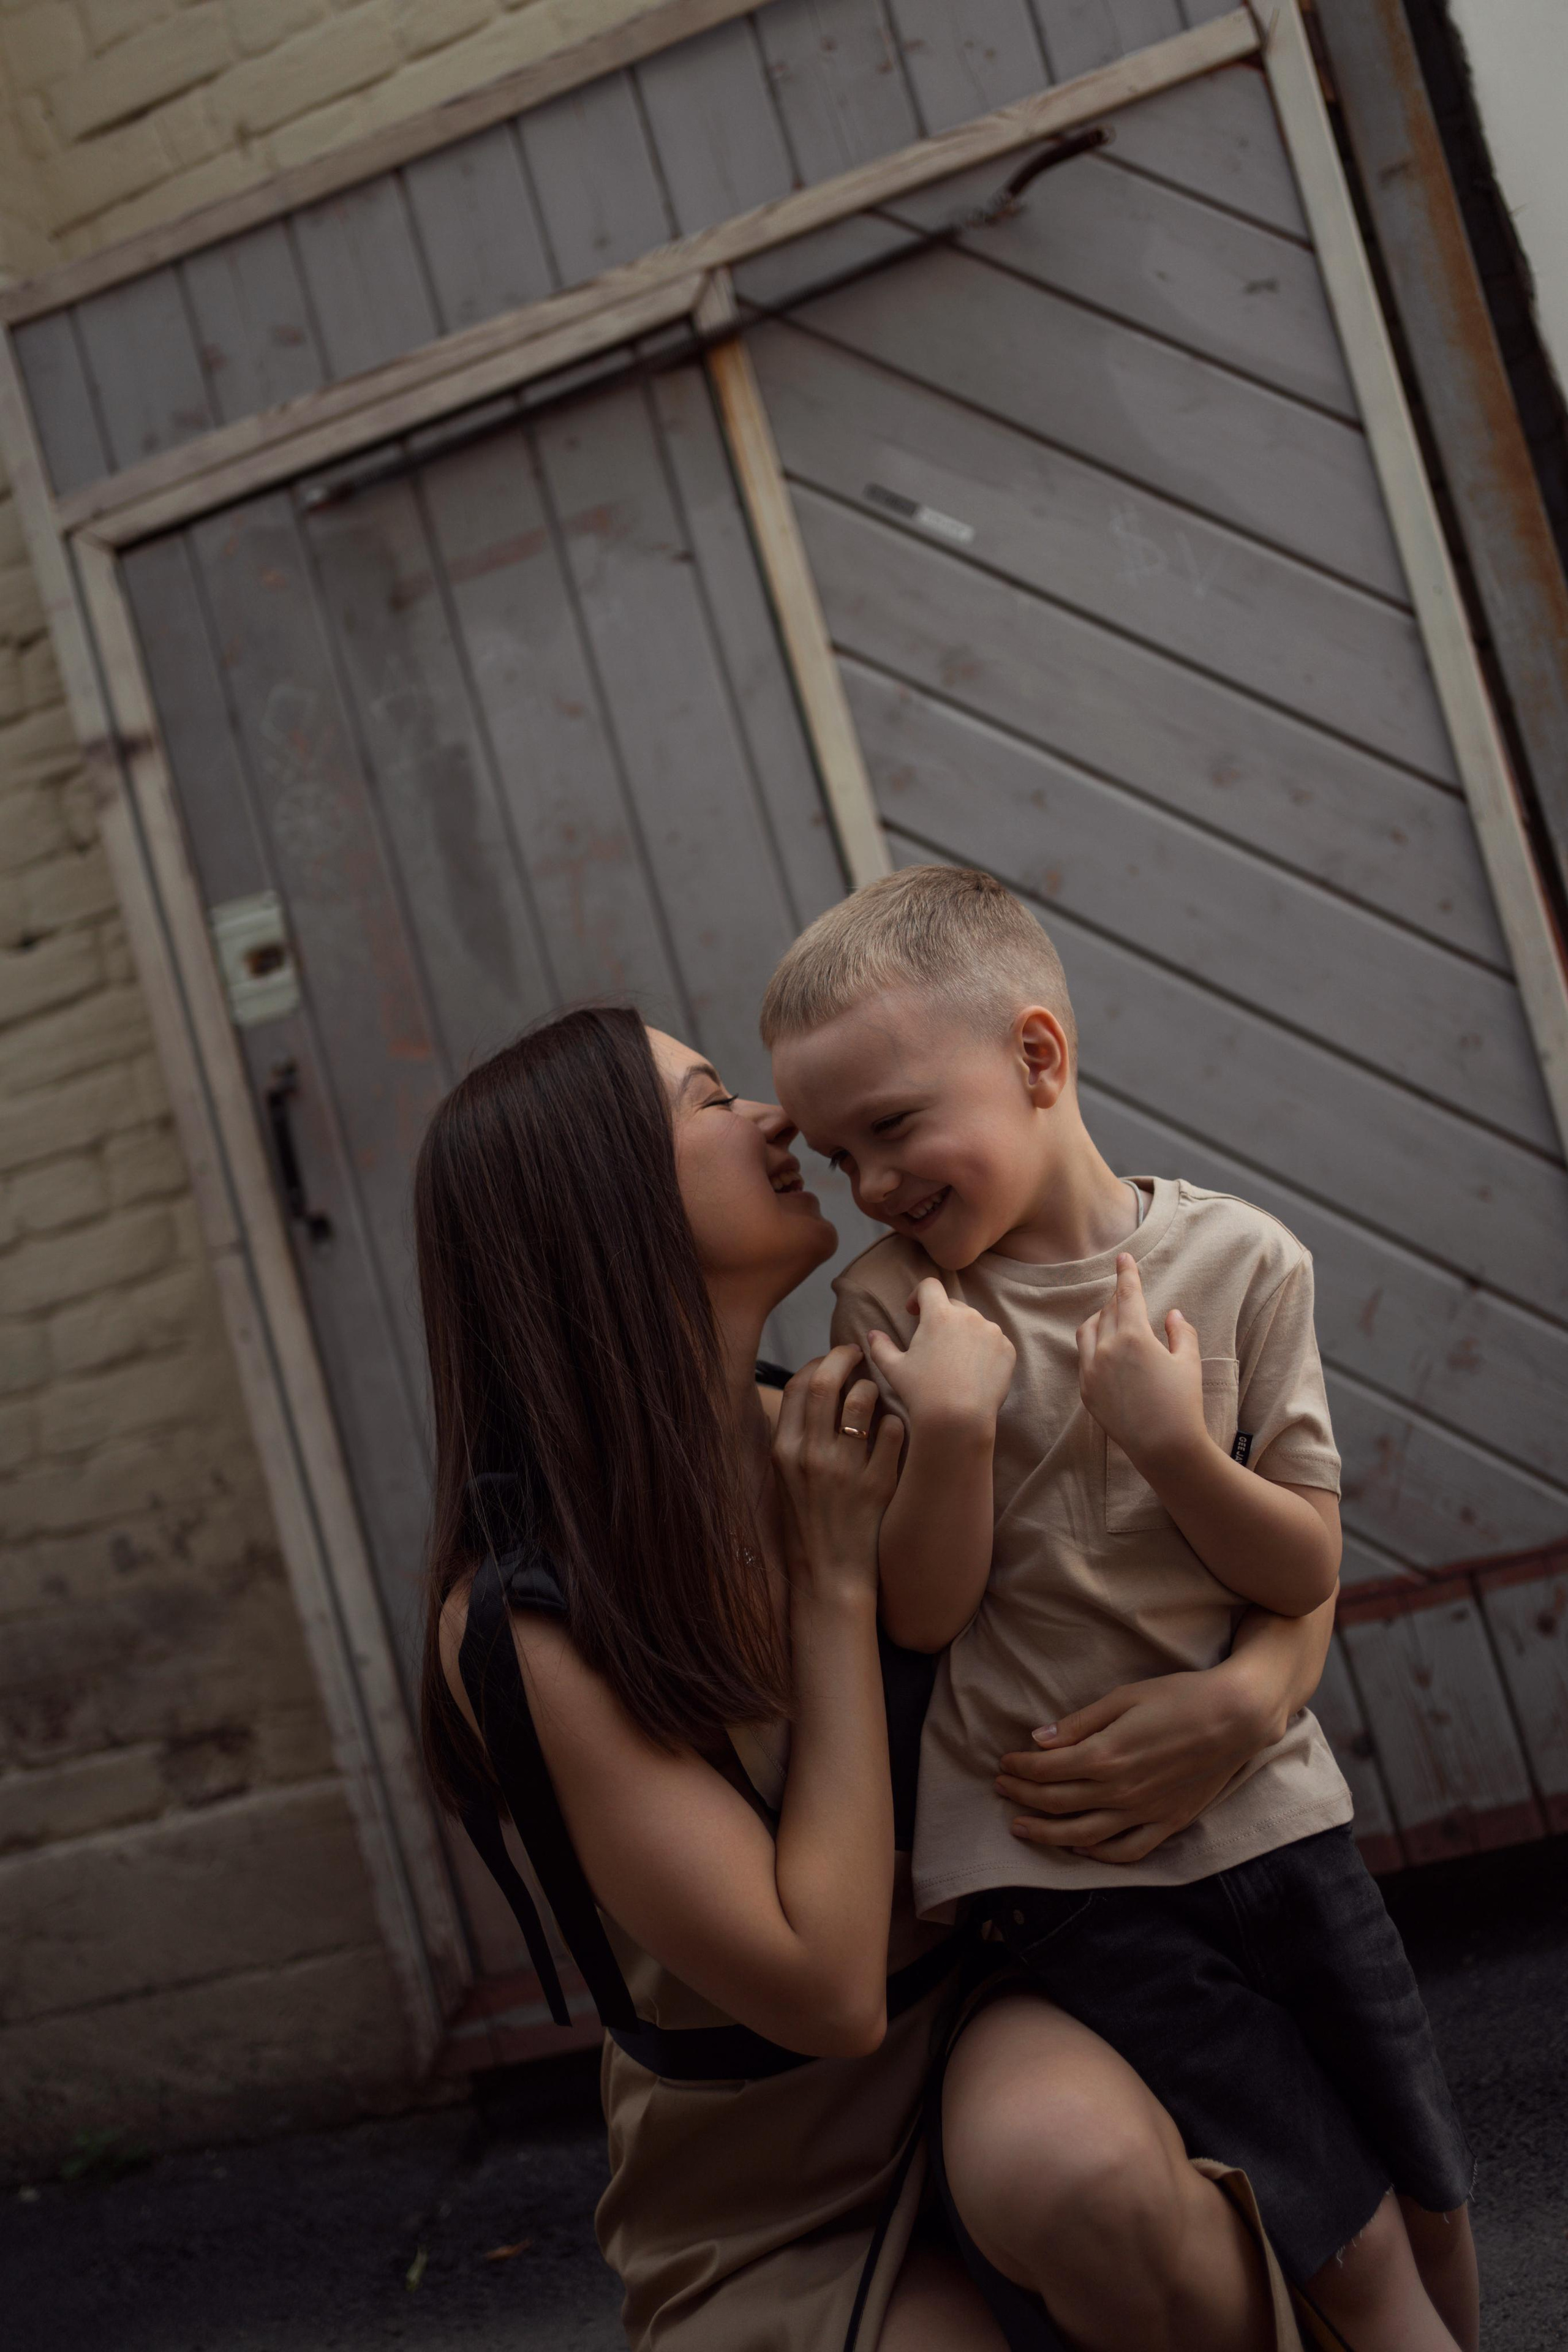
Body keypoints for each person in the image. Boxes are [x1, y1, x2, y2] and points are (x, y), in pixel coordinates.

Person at [415, 1003, 1336, 2350]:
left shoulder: (861, 1411)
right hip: (772, 2174)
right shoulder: (525, 1617)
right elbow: (827, 1989)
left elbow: (1246, 1553)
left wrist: (1253, 1696)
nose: (775, 1120)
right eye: (709, 1099)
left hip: (1016, 2012)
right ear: (599, 1205)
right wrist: (838, 1588)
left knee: (1086, 2181)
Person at [764, 864, 1478, 2352]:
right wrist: (952, 1431)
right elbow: (921, 1615)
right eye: (836, 1157)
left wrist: (1170, 1445)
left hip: (1279, 1820)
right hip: (1064, 1870)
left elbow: (1300, 1569)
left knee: (1424, 2193)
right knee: (1339, 2232)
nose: (870, 1187)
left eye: (891, 1127)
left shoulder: (1243, 1262)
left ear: (1034, 1057)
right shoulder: (896, 1310)